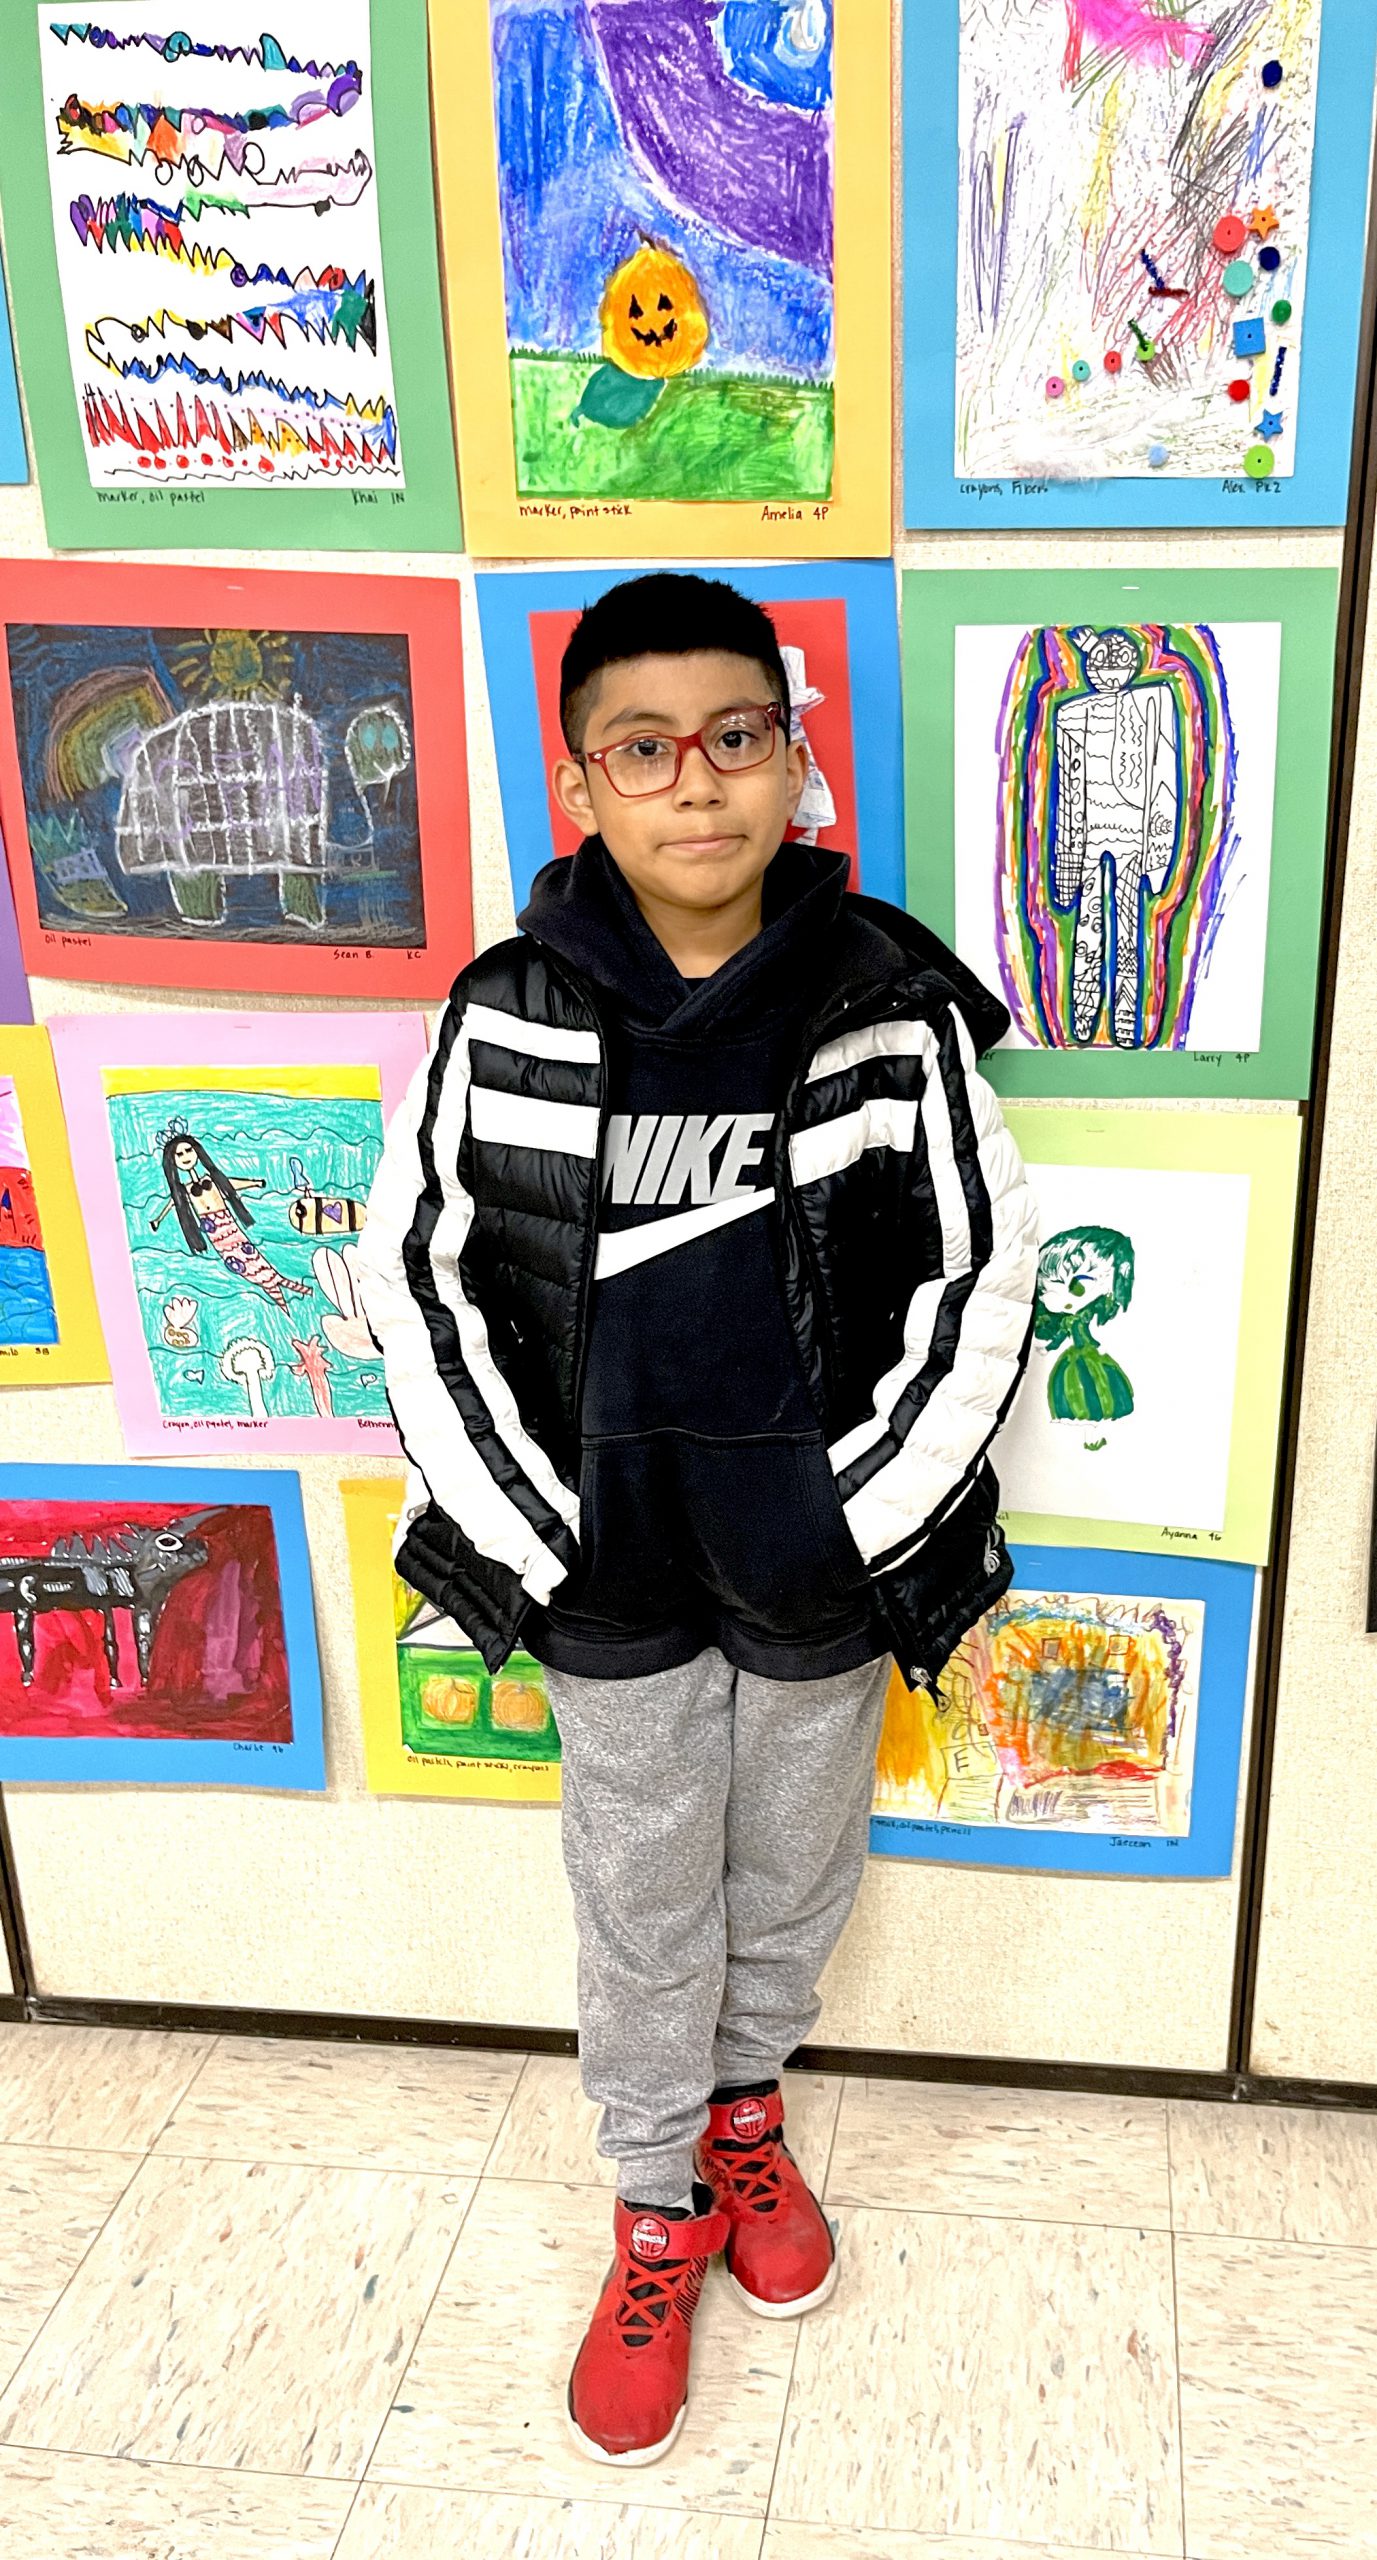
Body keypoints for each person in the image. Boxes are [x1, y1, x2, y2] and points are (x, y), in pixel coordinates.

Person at [356, 572, 1040, 2468]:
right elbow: (412, 1275)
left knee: (792, 1862)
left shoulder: (889, 1002)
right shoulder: (502, 1010)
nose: (697, 786)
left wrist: (868, 1508)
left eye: (738, 737)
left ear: (793, 758)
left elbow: (985, 1271)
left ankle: (749, 2109)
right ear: (584, 784)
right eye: (643, 750)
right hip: (609, 1552)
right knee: (641, 1881)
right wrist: (526, 1514)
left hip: (810, 1550)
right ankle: (654, 2199)